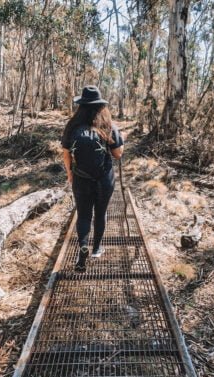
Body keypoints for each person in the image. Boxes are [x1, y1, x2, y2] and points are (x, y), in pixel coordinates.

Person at [62, 85, 124, 272]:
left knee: (83, 214)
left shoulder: (72, 127)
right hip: (104, 179)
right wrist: (123, 141)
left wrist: (70, 174)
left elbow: (66, 154)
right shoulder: (109, 126)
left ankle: (82, 247)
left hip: (81, 179)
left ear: (81, 106)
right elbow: (118, 155)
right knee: (101, 212)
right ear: (100, 106)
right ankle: (96, 248)